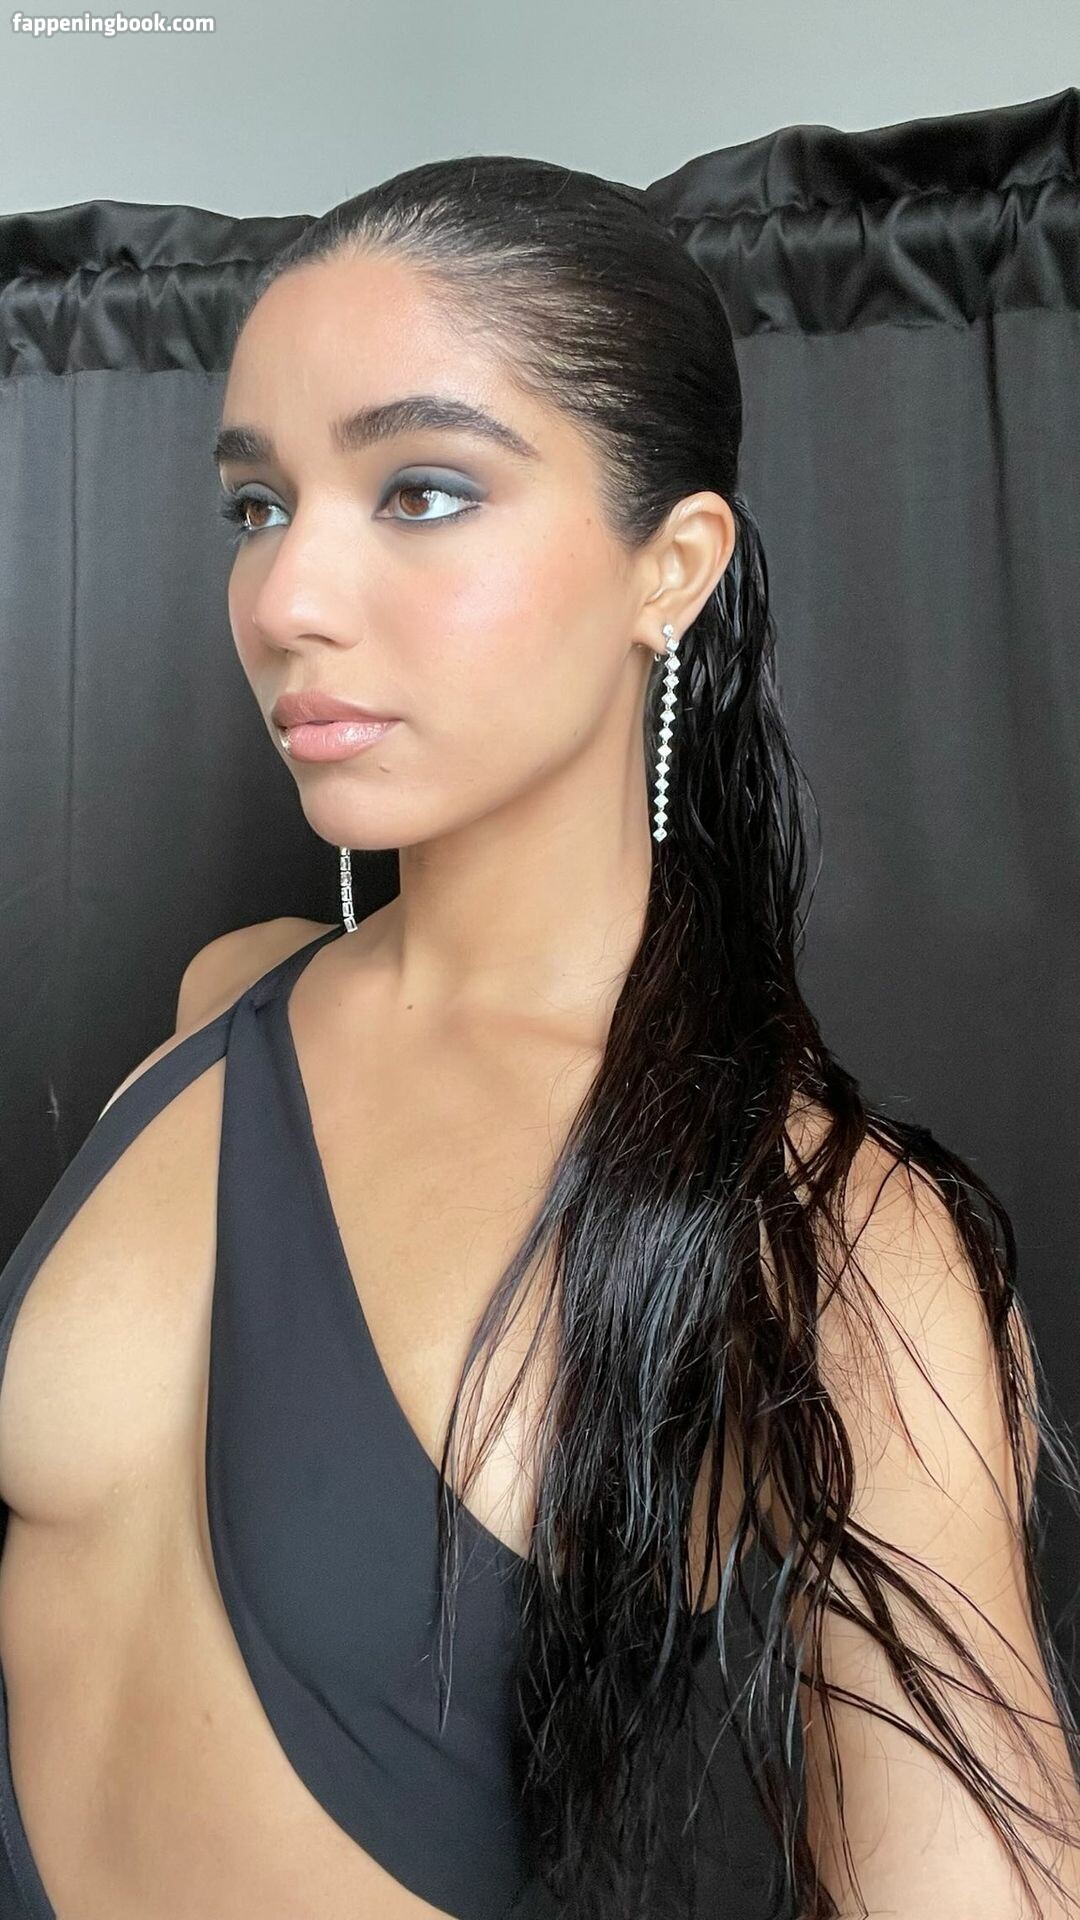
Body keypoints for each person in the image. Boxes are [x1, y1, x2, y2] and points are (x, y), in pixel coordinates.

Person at [0, 154, 1078, 1920]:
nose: (284, 600)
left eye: (421, 490)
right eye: (257, 504)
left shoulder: (826, 1240)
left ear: (674, 567)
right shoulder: (220, 1005)